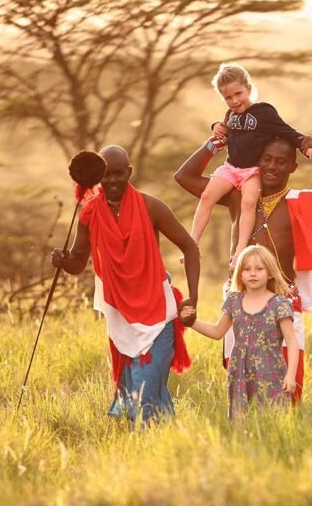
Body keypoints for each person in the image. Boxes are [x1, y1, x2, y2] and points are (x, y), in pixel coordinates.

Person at [175, 135, 312, 403]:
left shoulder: (300, 201)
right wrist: (217, 141)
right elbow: (185, 177)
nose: (272, 166)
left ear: (293, 167)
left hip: (283, 303)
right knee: (242, 385)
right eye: (266, 159)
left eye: (281, 161)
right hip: (239, 302)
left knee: (290, 389)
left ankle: (284, 434)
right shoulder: (237, 196)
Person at [51, 145, 201, 424]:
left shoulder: (151, 206)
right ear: (97, 177)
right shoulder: (89, 214)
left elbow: (190, 248)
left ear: (129, 172)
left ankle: (150, 445)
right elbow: (77, 264)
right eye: (105, 175)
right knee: (138, 391)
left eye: (118, 173)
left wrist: (192, 298)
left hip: (159, 312)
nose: (112, 181)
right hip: (120, 314)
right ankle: (166, 444)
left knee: (145, 390)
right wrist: (62, 260)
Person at [190, 63, 312, 265]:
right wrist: (215, 126)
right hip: (231, 168)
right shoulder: (231, 114)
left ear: (248, 89)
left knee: (248, 202)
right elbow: (224, 128)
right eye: (228, 98)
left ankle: (240, 251)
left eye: (238, 94)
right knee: (206, 197)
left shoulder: (264, 112)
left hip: (252, 171)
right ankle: (192, 245)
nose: (234, 101)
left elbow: (287, 131)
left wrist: (307, 146)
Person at [180, 245, 298, 419]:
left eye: (259, 269)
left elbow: (292, 342)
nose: (252, 274)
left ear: (270, 273)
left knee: (271, 417)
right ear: (240, 274)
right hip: (240, 372)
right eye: (247, 269)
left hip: (270, 372)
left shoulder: (278, 304)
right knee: (241, 419)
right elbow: (217, 331)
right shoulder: (234, 301)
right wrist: (190, 322)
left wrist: (291, 375)